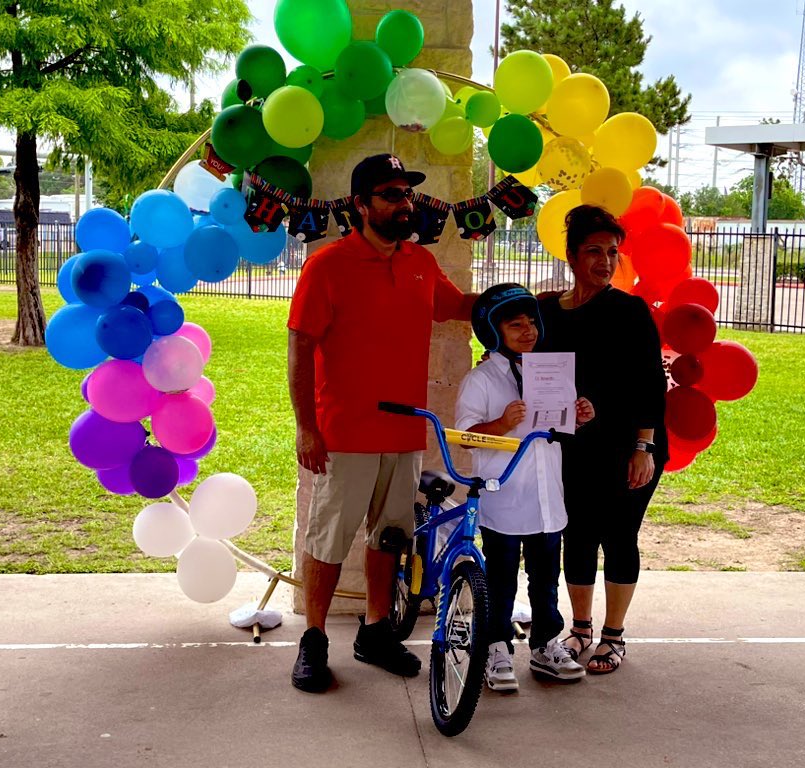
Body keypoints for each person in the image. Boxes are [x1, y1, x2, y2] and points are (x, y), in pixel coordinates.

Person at [286, 153, 477, 693]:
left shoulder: (418, 261)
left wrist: (527, 305)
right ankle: (315, 640)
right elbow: (300, 348)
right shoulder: (327, 265)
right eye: (391, 194)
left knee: (390, 537)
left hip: (404, 433)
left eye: (406, 194)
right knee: (328, 542)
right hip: (344, 434)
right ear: (360, 205)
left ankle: (375, 632)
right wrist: (307, 426)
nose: (403, 204)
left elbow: (457, 305)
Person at [536, 205, 668, 675]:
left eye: (613, 252)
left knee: (618, 536)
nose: (605, 261)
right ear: (571, 255)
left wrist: (644, 448)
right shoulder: (547, 311)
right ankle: (580, 628)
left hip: (629, 445)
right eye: (594, 251)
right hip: (570, 446)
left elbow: (651, 383)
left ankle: (613, 636)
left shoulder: (629, 311)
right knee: (577, 534)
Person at [455, 283, 594, 690]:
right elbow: (464, 435)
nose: (528, 330)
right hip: (506, 497)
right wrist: (499, 425)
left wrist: (580, 415)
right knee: (500, 579)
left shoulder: (550, 372)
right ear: (494, 332)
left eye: (531, 321)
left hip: (547, 496)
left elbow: (559, 423)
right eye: (515, 324)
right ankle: (496, 648)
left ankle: (546, 643)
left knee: (546, 576)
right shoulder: (481, 379)